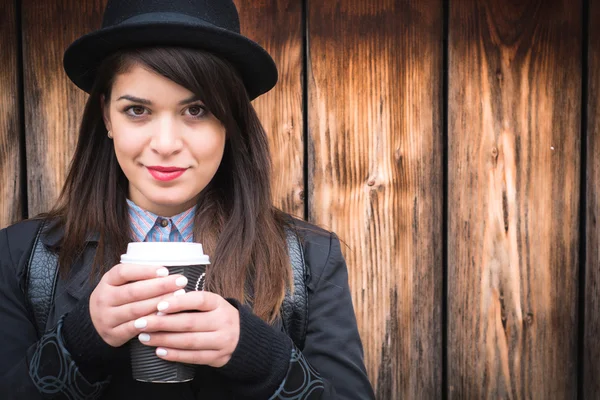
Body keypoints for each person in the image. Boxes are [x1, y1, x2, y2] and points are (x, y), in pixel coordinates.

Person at [0, 0, 375, 399]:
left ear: (229, 120)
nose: (165, 145)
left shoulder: (311, 259)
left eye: (196, 109)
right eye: (137, 110)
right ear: (107, 117)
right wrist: (78, 342)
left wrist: (259, 355)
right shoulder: (22, 257)